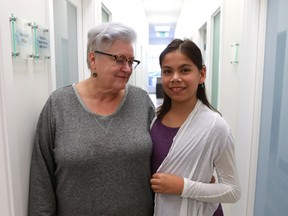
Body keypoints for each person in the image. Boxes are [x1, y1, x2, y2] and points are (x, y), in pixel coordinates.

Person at [28, 22, 155, 216]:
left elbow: (162, 159)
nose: (127, 68)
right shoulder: (59, 105)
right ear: (93, 59)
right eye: (120, 60)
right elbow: (41, 179)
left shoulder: (141, 101)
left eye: (131, 61)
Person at [150, 38, 241, 216]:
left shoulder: (215, 126)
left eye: (185, 70)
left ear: (202, 74)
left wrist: (184, 186)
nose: (175, 78)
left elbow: (233, 191)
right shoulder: (152, 119)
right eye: (168, 71)